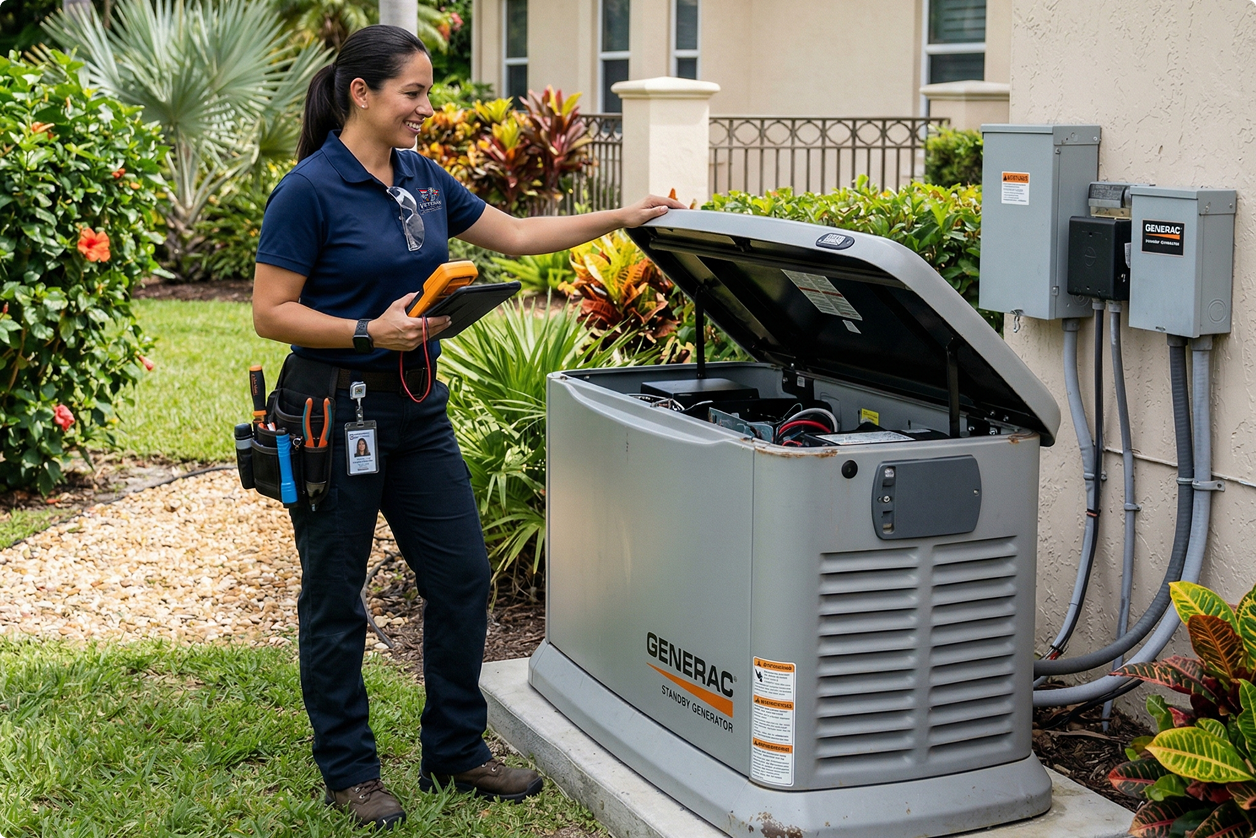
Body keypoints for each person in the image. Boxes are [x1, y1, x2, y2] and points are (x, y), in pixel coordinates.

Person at [252, 24, 685, 831]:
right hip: (331, 414)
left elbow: (515, 234)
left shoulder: (420, 177)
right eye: (412, 93)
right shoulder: (308, 190)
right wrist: (365, 331)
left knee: (461, 577)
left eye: (427, 92)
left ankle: (454, 748)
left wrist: (627, 215)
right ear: (361, 93)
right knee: (336, 597)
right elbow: (271, 312)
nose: (426, 107)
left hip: (417, 411)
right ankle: (350, 771)